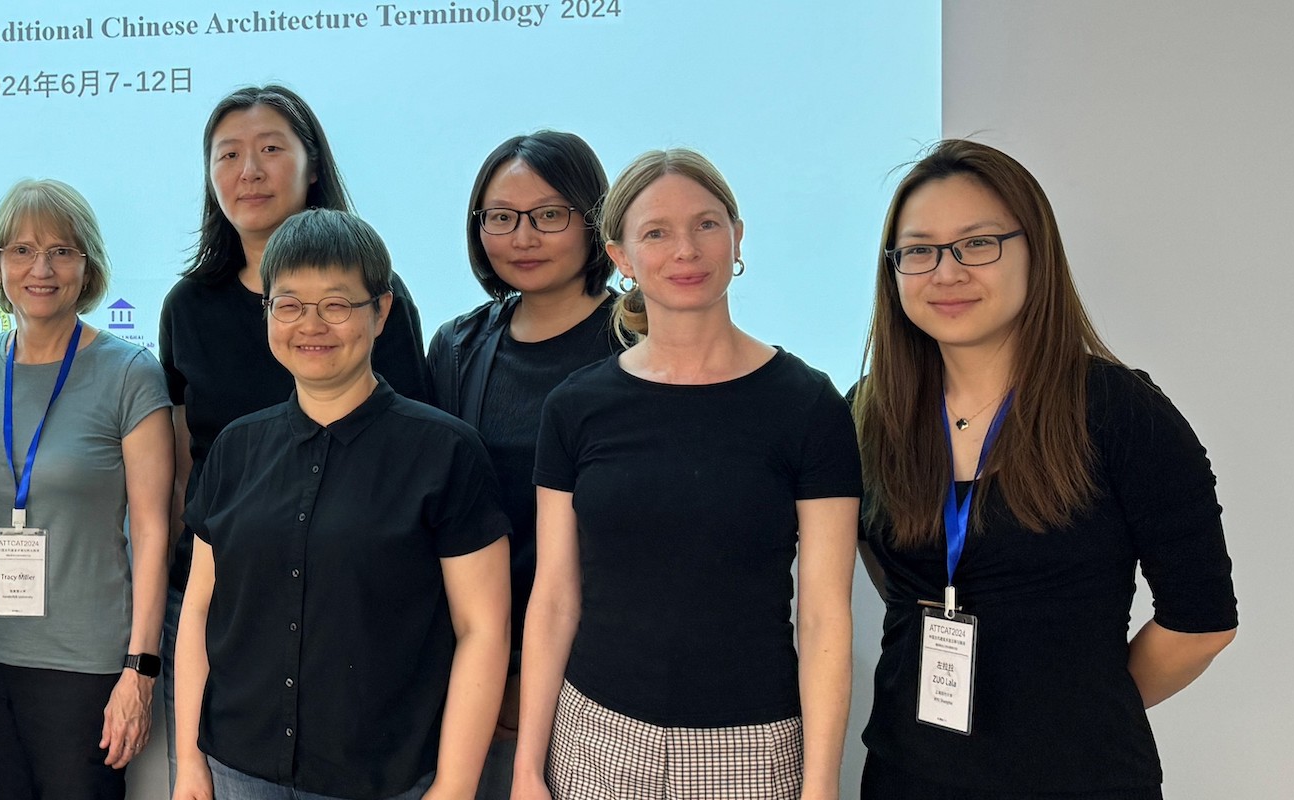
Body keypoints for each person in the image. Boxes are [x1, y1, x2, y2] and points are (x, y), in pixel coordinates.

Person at [851, 139, 1237, 799]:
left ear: (1037, 252)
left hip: (1078, 778)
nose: (946, 273)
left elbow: (1200, 624)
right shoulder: (869, 414)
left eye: (977, 244)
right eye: (919, 251)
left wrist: (1082, 705)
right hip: (905, 775)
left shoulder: (1121, 412)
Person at [512, 149, 858, 800]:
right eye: (656, 233)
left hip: (756, 748)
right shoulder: (575, 407)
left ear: (737, 237)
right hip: (597, 739)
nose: (686, 250)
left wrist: (821, 785)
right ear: (621, 258)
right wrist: (530, 768)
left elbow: (823, 617)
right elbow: (555, 597)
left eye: (706, 224)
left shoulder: (809, 405)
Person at [173, 208, 511, 800]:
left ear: (380, 312)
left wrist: (456, 784)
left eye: (337, 304)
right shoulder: (235, 448)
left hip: (388, 776)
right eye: (290, 304)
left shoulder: (445, 452)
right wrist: (191, 766)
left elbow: (482, 628)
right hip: (237, 768)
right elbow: (200, 610)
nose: (312, 324)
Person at [157, 87, 433, 758]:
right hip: (222, 600)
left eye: (272, 149)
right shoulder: (188, 306)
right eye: (228, 154)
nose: (249, 170)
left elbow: (415, 459)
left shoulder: (374, 296)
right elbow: (182, 468)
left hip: (354, 607)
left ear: (314, 165)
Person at [0, 179, 173, 800]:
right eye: (21, 250)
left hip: (85, 667)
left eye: (62, 251)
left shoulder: (130, 374)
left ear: (87, 266)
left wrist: (140, 671)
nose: (40, 268)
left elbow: (153, 529)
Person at [420, 131, 623, 799]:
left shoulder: (639, 342)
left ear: (593, 221)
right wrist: (496, 670)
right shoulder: (458, 345)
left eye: (548, 215)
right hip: (477, 656)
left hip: (603, 663)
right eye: (501, 218)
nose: (523, 237)